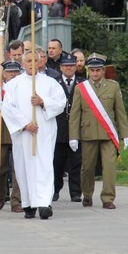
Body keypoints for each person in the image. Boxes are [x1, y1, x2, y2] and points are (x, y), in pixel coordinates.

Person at [1, 51, 66, 219]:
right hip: (23, 133)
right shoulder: (13, 85)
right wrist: (24, 124)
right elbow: (7, 108)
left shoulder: (50, 83)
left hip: (44, 131)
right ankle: (28, 202)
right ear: (22, 64)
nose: (32, 63)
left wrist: (43, 102)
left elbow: (61, 102)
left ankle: (44, 203)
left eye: (35, 60)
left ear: (40, 62)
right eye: (28, 60)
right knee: (23, 167)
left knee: (44, 164)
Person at [68, 53, 128, 209]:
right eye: (92, 70)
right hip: (88, 133)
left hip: (107, 134)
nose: (95, 73)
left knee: (109, 166)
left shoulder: (113, 86)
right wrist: (73, 136)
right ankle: (87, 195)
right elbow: (75, 114)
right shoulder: (81, 88)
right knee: (87, 167)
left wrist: (125, 134)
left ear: (103, 71)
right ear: (89, 71)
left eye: (98, 70)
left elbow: (120, 112)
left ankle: (108, 198)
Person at [0, 60, 23, 213]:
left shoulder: (24, 87)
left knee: (19, 170)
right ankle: (1, 194)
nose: (13, 74)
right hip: (0, 132)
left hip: (19, 132)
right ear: (4, 73)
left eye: (16, 71)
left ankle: (17, 201)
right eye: (10, 72)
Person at [53, 53, 85, 202]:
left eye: (71, 66)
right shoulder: (54, 82)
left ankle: (76, 192)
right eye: (66, 66)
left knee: (76, 163)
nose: (68, 68)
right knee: (56, 163)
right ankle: (55, 190)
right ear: (60, 67)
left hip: (76, 129)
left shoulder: (83, 83)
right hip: (58, 128)